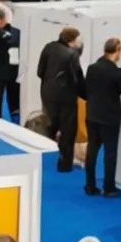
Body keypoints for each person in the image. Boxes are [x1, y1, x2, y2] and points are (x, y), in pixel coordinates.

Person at [83, 37, 121, 196]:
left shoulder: (92, 68)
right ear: (117, 50)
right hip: (110, 117)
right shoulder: (117, 73)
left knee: (92, 150)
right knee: (110, 153)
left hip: (92, 114)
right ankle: (109, 187)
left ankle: (90, 185)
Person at [38, 27, 85, 173]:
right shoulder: (72, 55)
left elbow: (40, 72)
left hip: (47, 93)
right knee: (68, 129)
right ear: (72, 40)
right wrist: (86, 95)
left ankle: (49, 151)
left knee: (52, 123)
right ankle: (65, 163)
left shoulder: (48, 47)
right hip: (66, 96)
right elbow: (77, 78)